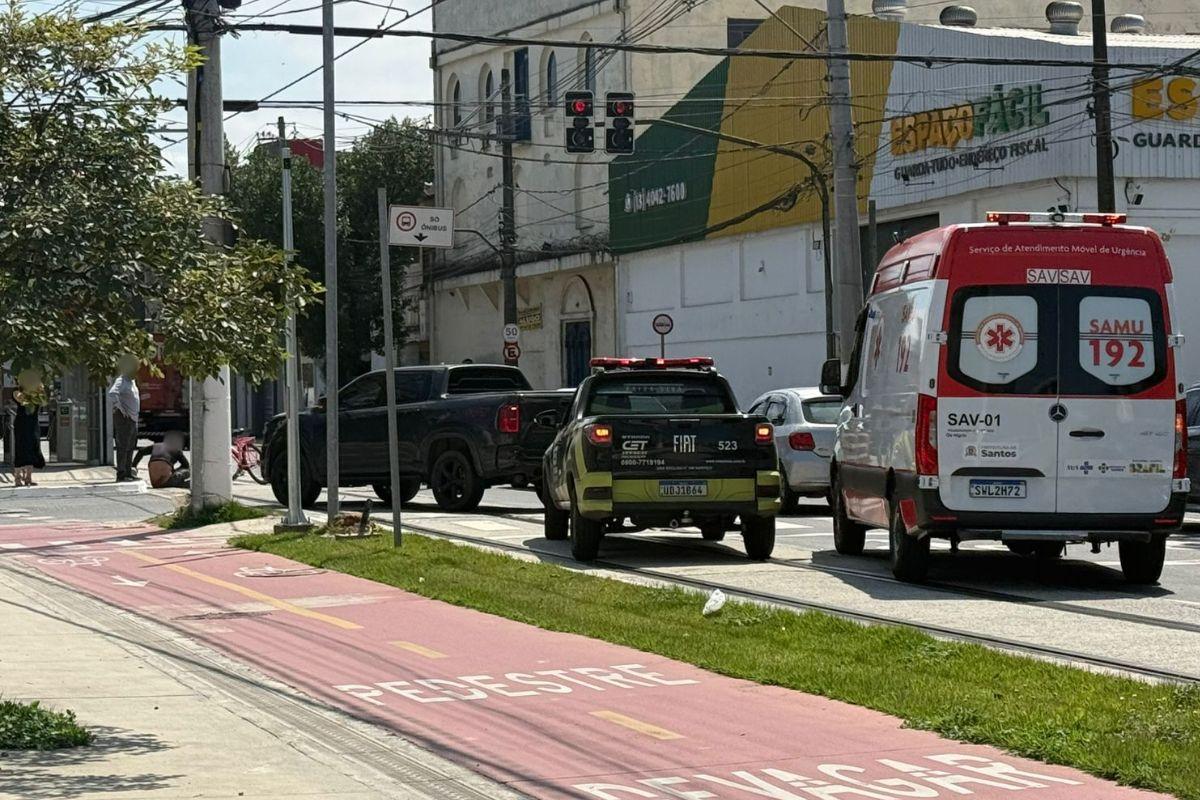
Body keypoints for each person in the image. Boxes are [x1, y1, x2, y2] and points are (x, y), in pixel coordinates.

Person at [107, 355, 141, 482]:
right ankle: (121, 473)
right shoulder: (121, 380)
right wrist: (121, 408)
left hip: (133, 418)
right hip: (125, 419)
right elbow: (112, 394)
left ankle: (128, 472)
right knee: (123, 446)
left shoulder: (132, 381)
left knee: (131, 446)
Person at [11, 390, 43, 487]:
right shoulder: (17, 392)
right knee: (20, 449)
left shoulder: (38, 392)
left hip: (33, 424)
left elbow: (43, 401)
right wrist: (30, 394)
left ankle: (28, 478)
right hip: (22, 424)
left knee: (33, 449)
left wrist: (38, 392)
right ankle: (17, 478)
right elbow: (20, 399)